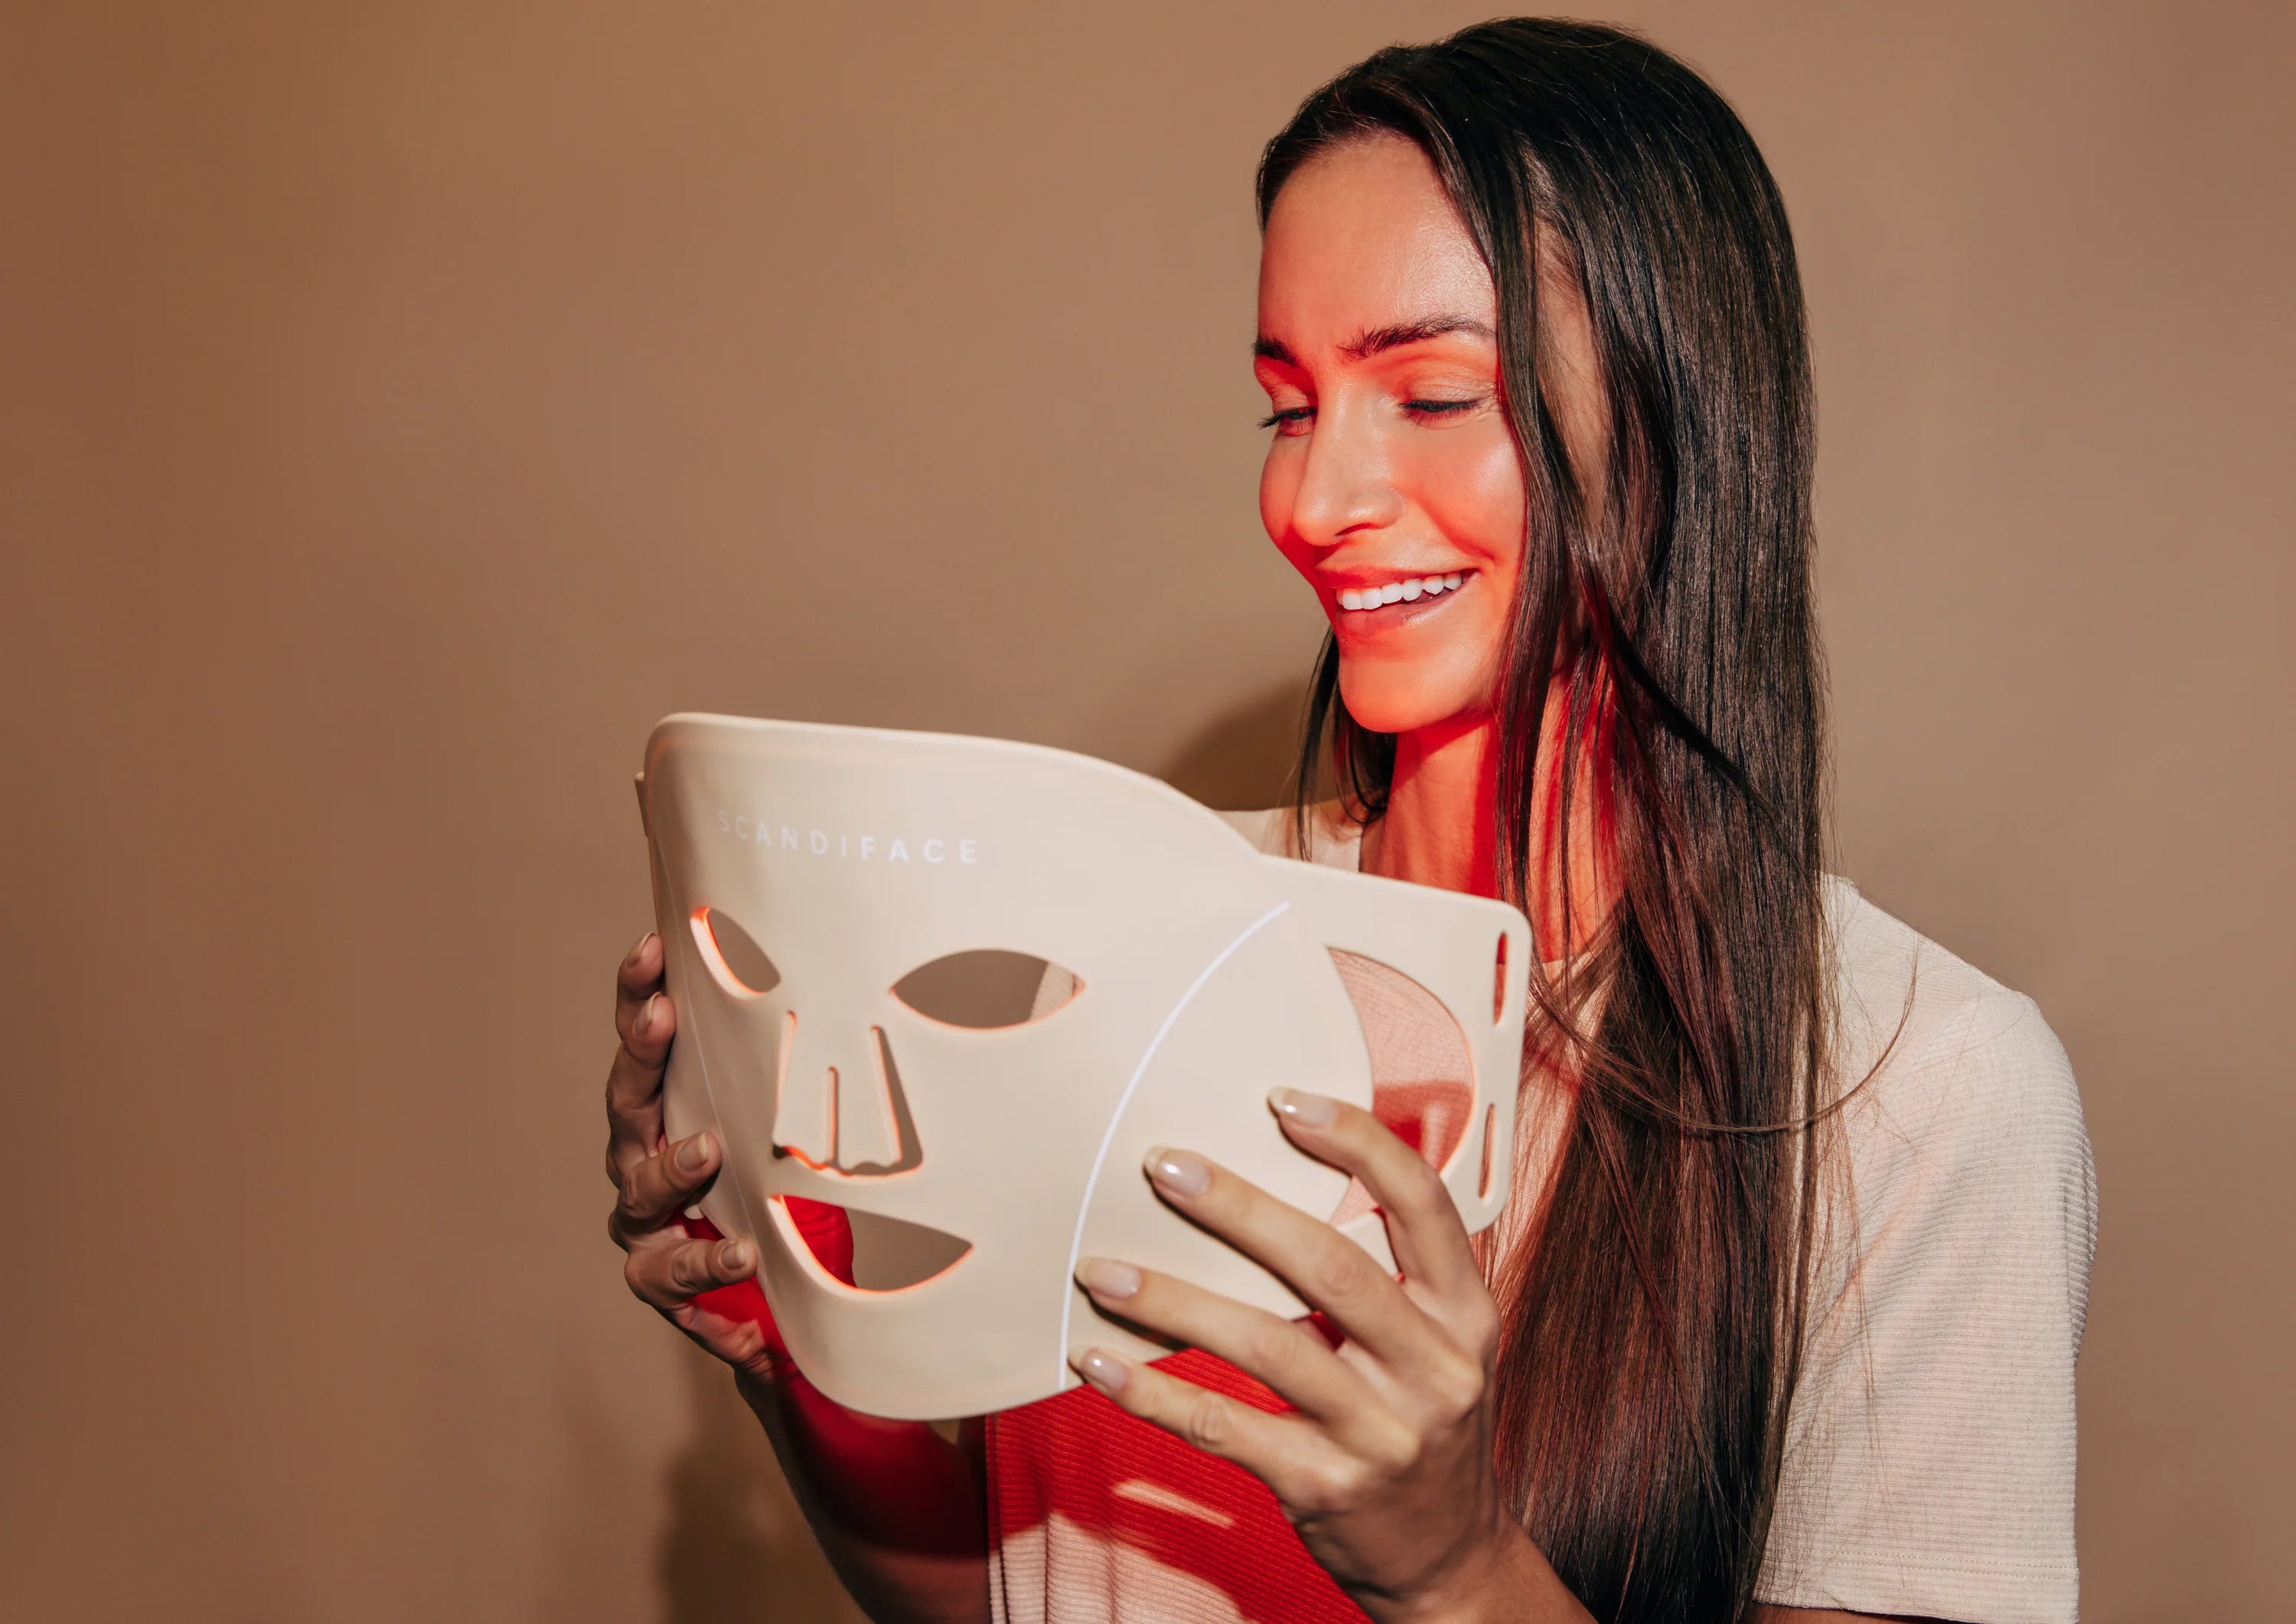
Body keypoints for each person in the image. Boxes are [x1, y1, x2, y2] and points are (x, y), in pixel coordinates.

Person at [602, 19, 2095, 1624]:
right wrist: (793, 1335)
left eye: (1432, 393)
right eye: (1288, 406)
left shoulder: (1915, 1094)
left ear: (1681, 418)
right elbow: (1023, 1585)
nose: (1313, 504)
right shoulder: (1122, 926)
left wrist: (1456, 1567)